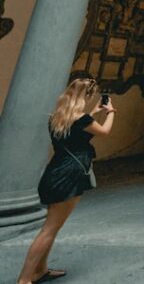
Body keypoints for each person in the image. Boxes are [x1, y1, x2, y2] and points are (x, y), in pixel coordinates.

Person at [17, 78, 116, 284]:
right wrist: (111, 112)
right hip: (70, 175)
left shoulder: (56, 118)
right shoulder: (83, 120)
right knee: (50, 228)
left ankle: (40, 270)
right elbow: (104, 131)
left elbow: (76, 130)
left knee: (52, 226)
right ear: (86, 96)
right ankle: (24, 279)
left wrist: (94, 112)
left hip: (54, 173)